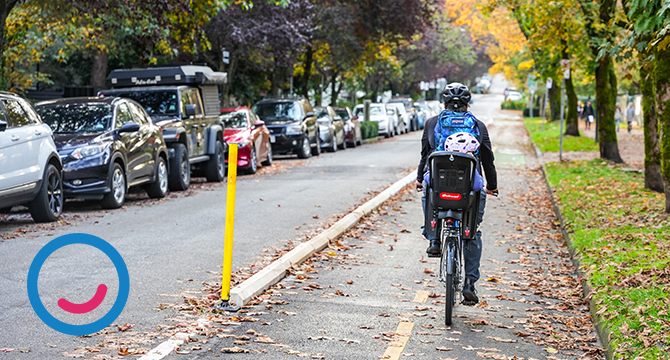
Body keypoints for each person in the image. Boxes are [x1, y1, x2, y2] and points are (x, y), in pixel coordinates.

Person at [416, 82, 498, 305]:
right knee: (472, 233)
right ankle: (470, 283)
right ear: (467, 104)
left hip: (439, 188)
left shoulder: (433, 123)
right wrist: (492, 185)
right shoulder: (478, 126)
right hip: (469, 190)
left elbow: (426, 154)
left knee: (428, 190)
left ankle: (434, 240)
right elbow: (488, 159)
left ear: (444, 103)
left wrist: (418, 180)